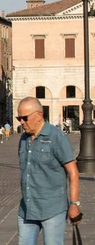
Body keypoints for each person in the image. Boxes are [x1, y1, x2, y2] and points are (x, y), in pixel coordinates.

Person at [16, 97, 80, 244]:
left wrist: (74, 204)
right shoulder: (23, 139)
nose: (21, 122)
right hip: (27, 208)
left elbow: (73, 172)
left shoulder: (56, 137)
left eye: (25, 118)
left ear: (39, 116)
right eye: (19, 118)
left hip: (53, 209)